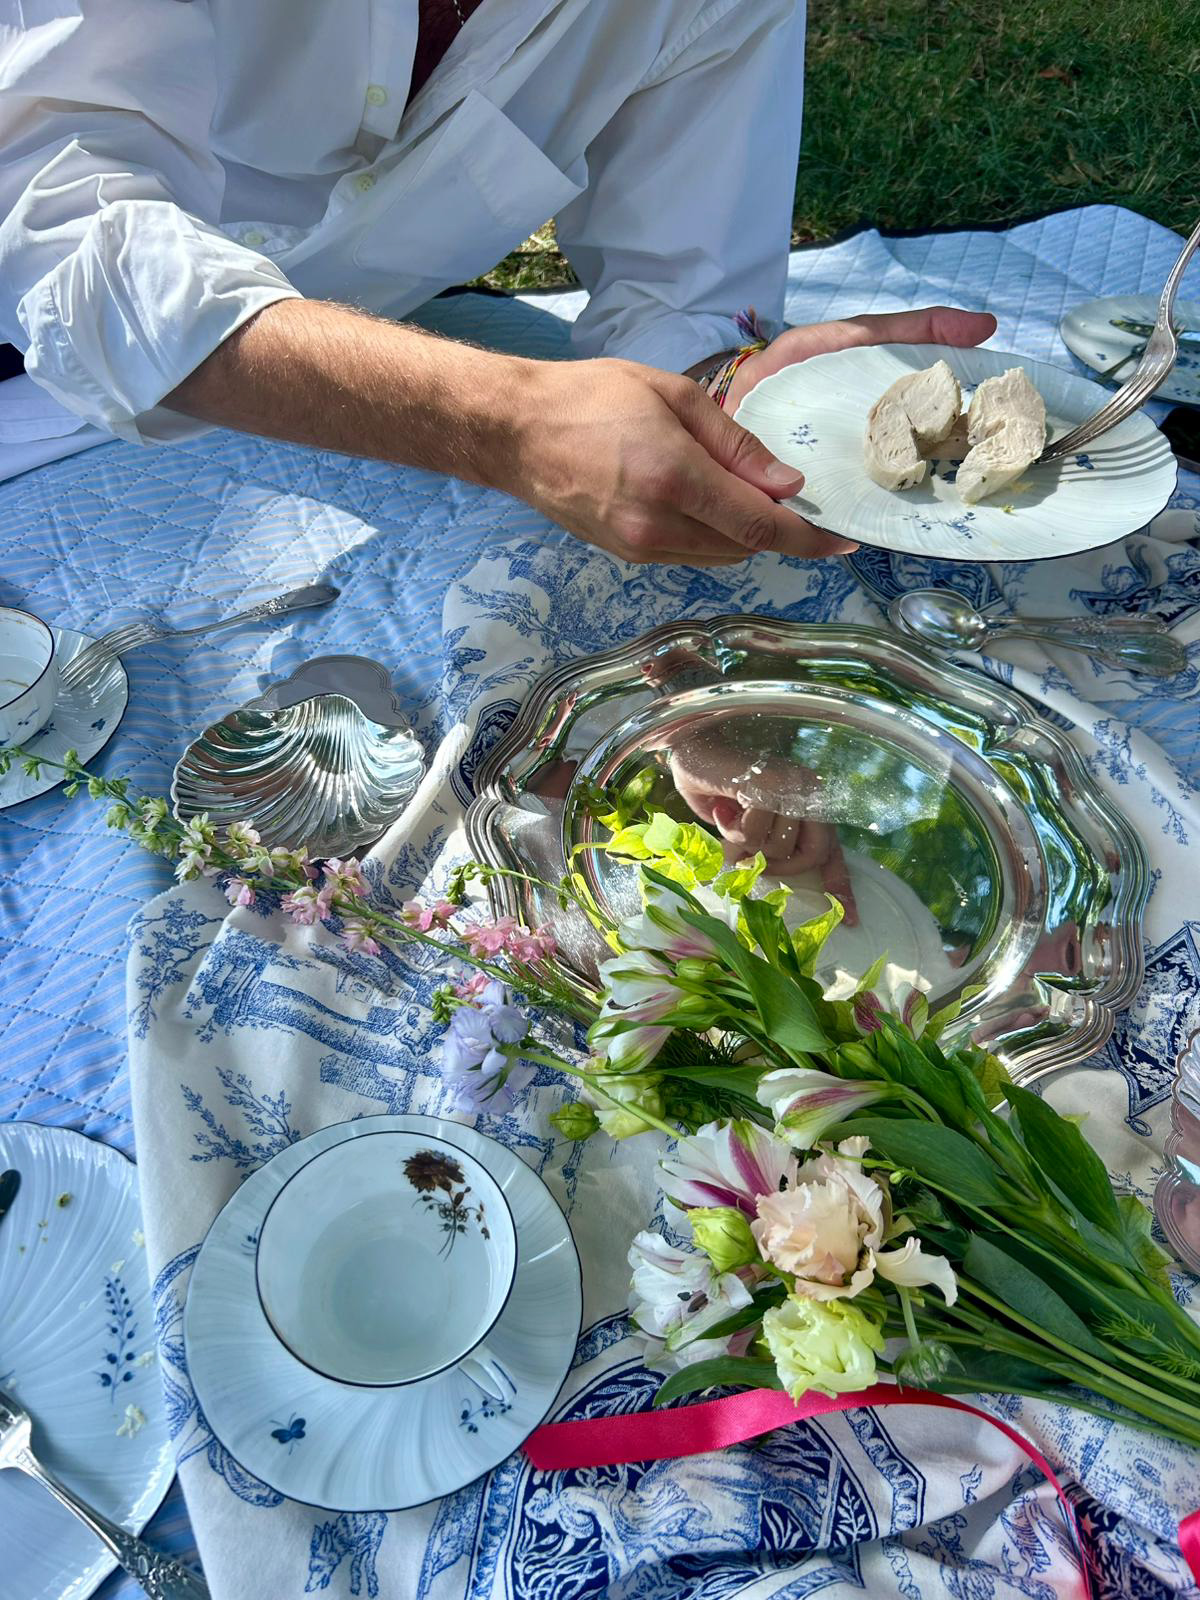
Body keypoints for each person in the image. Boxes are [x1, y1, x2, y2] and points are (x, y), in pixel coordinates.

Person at [0, 1, 994, 566]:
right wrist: (502, 422)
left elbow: (685, 297)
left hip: (343, 412)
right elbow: (62, 232)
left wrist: (738, 388)